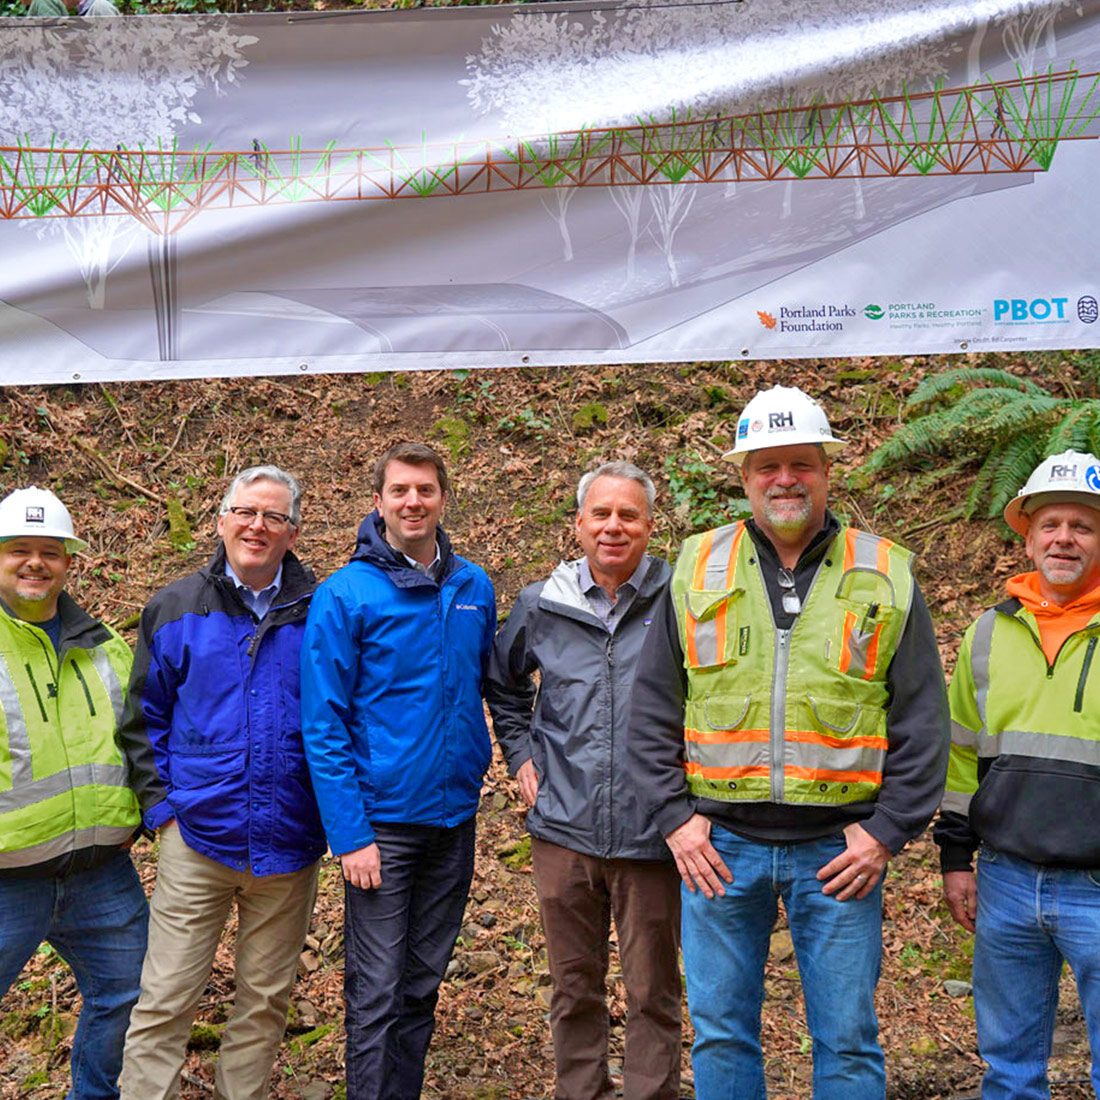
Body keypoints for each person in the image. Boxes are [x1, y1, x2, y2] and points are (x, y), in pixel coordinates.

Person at [630, 385, 950, 1100]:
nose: (784, 479)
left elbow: (925, 720)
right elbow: (653, 707)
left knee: (846, 1039)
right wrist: (676, 822)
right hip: (719, 851)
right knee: (720, 1033)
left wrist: (887, 832)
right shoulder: (695, 566)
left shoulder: (885, 573)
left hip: (839, 852)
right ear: (743, 476)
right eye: (766, 465)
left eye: (800, 464)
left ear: (827, 470)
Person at [117, 466, 326, 1100]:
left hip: (289, 843)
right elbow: (142, 720)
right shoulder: (176, 607)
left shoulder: (323, 611)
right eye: (246, 512)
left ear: (293, 532)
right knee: (165, 998)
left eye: (274, 517)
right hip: (197, 839)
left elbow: (344, 719)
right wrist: (164, 813)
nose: (257, 526)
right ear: (221, 520)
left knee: (264, 1004)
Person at [300, 441, 496, 1100]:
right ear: (378, 501)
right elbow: (322, 724)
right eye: (400, 491)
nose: (413, 502)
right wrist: (350, 834)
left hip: (453, 820)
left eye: (426, 490)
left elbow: (490, 689)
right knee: (377, 992)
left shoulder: (473, 587)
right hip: (382, 829)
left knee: (421, 986)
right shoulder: (345, 595)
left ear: (444, 498)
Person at [487, 461, 682, 1100]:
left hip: (654, 832)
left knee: (654, 989)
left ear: (651, 526)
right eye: (601, 514)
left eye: (628, 515)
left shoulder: (681, 599)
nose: (613, 527)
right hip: (563, 831)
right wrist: (520, 755)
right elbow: (503, 682)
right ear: (578, 524)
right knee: (574, 988)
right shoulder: (542, 604)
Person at [935, 449, 1100, 1100]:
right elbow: (959, 757)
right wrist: (955, 858)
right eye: (1051, 524)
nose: (1064, 538)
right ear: (1027, 538)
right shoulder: (986, 635)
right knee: (1009, 1076)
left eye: (1083, 525)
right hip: (1005, 885)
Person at [0, 486, 146, 1100]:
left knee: (127, 993)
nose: (36, 563)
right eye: (19, 551)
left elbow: (141, 739)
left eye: (49, 552)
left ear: (69, 562)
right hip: (7, 880)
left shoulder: (106, 644)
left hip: (100, 875)